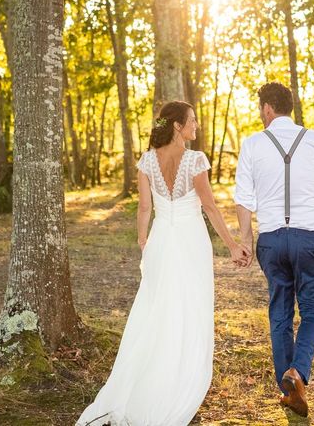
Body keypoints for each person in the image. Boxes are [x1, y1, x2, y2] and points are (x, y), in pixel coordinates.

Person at [76, 101, 251, 426]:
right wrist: (232, 246)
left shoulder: (147, 162)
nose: (196, 126)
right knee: (188, 307)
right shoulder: (195, 161)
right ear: (177, 126)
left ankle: (149, 377)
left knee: (155, 309)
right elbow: (210, 208)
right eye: (192, 121)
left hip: (160, 241)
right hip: (189, 241)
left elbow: (145, 208)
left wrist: (145, 241)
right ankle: (176, 380)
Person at [234, 82, 314, 418]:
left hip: (271, 241)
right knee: (313, 311)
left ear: (268, 108)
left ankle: (289, 390)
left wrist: (246, 241)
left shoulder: (253, 144)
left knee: (280, 314)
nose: (261, 114)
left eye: (261, 109)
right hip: (310, 240)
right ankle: (297, 373)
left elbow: (244, 200)